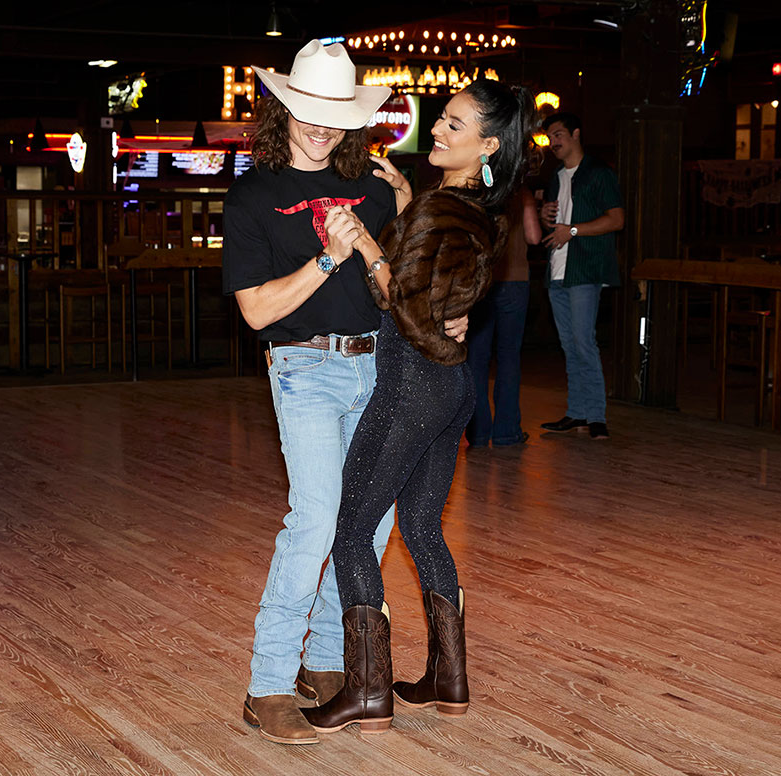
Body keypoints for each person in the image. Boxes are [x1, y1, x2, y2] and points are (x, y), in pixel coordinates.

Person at [222, 40, 467, 746]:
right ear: (285, 109)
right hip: (302, 368)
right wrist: (329, 256)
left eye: (335, 115)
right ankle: (268, 681)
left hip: (379, 365)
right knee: (317, 517)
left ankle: (328, 662)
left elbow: (397, 294)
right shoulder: (253, 195)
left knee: (370, 521)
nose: (322, 127)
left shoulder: (376, 189)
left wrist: (391, 234)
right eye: (309, 112)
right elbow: (257, 311)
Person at [302, 80, 537, 735]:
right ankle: (448, 679)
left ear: (488, 144)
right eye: (443, 117)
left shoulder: (446, 210)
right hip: (453, 388)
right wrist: (407, 206)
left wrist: (369, 246)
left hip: (411, 388)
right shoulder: (476, 207)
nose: (437, 128)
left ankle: (367, 692)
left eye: (454, 124)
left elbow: (400, 300)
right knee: (425, 527)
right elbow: (440, 284)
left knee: (351, 532)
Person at [538, 112, 625, 440]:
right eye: (550, 137)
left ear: (576, 133)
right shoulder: (556, 175)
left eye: (558, 135)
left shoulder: (599, 172)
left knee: (583, 342)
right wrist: (545, 216)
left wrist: (573, 230)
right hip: (557, 268)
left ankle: (596, 415)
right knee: (568, 344)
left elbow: (617, 219)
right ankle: (577, 412)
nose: (554, 142)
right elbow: (556, 222)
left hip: (585, 267)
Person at [465, 185, 542, 448]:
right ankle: (507, 432)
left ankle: (477, 433)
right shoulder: (522, 195)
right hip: (516, 281)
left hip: (483, 282)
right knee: (509, 357)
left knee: (477, 358)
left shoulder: (479, 193)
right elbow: (533, 237)